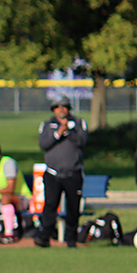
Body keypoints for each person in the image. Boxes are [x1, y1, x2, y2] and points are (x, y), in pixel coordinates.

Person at [35, 96, 88, 248]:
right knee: (50, 205)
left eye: (64, 106)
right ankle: (45, 236)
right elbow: (43, 144)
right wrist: (58, 132)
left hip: (73, 173)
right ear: (53, 110)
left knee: (73, 207)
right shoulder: (47, 124)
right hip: (52, 173)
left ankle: (71, 239)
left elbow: (82, 141)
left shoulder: (78, 123)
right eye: (57, 107)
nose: (61, 109)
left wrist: (68, 132)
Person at [0, 141, 31, 244]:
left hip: (22, 198)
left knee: (5, 198)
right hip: (2, 200)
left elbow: (10, 189)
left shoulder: (8, 163)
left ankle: (9, 234)